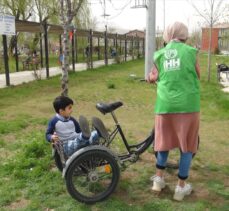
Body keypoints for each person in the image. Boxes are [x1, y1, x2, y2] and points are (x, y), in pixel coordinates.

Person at [147, 22, 200, 201]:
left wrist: (153, 79)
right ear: (184, 35)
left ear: (168, 35)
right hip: (188, 106)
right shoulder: (191, 52)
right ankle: (180, 188)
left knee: (162, 143)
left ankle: (158, 181)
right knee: (187, 147)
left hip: (165, 106)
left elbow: (152, 77)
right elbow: (198, 74)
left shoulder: (160, 54)